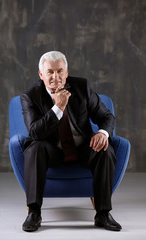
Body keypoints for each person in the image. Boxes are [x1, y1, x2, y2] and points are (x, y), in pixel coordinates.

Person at [20, 51, 122, 232]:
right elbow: (35, 132)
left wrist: (103, 133)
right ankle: (34, 212)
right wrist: (58, 108)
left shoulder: (81, 87)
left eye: (60, 71)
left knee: (104, 149)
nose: (55, 77)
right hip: (52, 150)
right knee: (34, 148)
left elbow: (106, 116)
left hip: (82, 147)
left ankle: (103, 214)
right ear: (40, 74)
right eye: (50, 72)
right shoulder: (30, 96)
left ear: (66, 73)